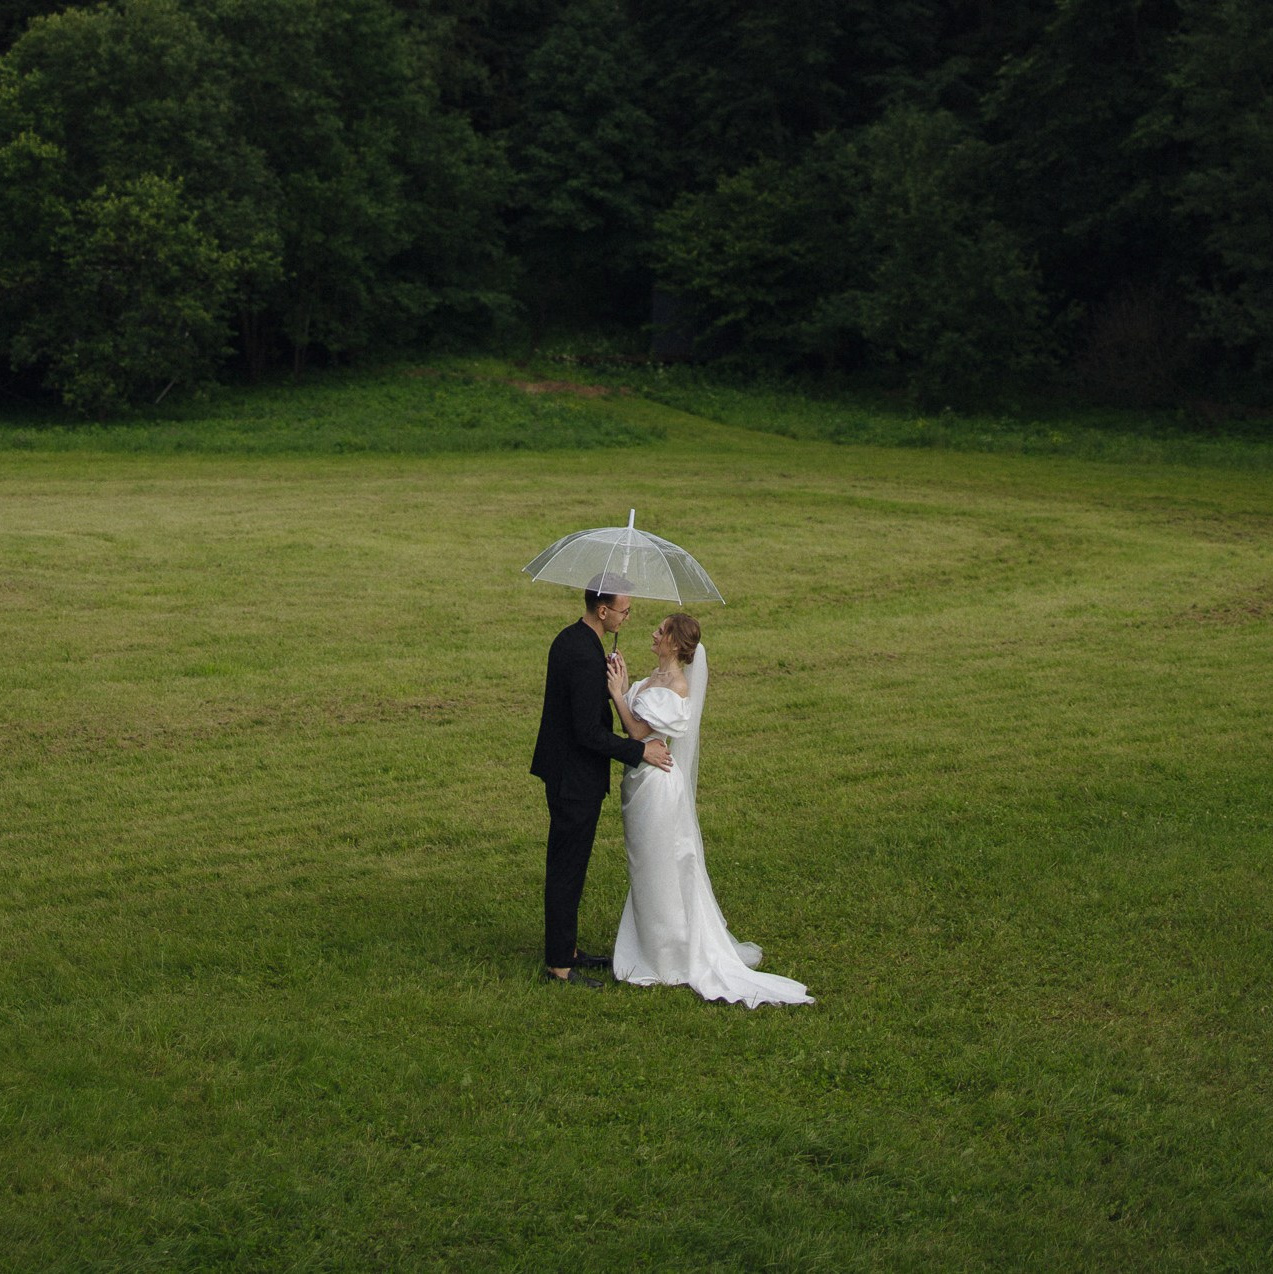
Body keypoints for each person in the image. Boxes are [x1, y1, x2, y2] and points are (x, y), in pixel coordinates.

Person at [606, 614, 813, 1008]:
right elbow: (637, 721)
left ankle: (667, 956)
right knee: (643, 865)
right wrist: (624, 680)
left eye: (661, 631)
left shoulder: (677, 685)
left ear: (674, 643)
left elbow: (638, 732)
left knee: (660, 865)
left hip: (658, 784)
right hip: (638, 781)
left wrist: (618, 693)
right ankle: (650, 946)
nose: (653, 633)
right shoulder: (654, 678)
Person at [531, 577, 673, 989]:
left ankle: (568, 948)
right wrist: (640, 751)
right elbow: (587, 733)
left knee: (572, 865)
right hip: (573, 778)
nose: (627, 618)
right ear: (603, 609)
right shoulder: (581, 653)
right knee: (567, 868)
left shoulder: (578, 640)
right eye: (624, 611)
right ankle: (559, 966)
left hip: (571, 772)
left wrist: (615, 686)